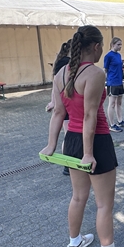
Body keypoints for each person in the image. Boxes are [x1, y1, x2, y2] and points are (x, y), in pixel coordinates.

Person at [40, 26, 124, 247]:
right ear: (96, 46)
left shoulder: (61, 74)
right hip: (96, 142)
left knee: (78, 197)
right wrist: (89, 153)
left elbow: (58, 112)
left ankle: (74, 243)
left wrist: (51, 145)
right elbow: (90, 116)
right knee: (104, 205)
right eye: (101, 47)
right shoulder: (94, 73)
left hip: (72, 141)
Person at [46, 41, 72, 176]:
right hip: (66, 103)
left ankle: (67, 164)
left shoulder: (60, 61)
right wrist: (54, 102)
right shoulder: (66, 63)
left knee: (68, 135)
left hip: (63, 102)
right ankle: (67, 165)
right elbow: (58, 83)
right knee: (69, 136)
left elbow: (55, 85)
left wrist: (53, 101)